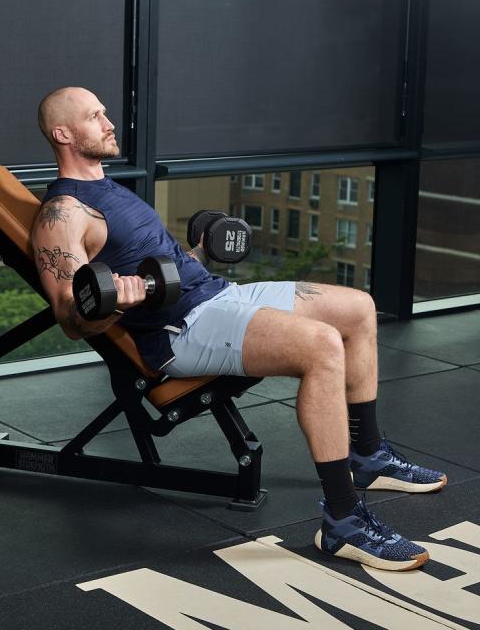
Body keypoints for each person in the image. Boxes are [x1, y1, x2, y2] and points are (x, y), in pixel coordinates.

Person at [31, 87, 446, 572]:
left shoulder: (108, 188)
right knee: (322, 346)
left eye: (104, 112)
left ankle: (369, 456)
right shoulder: (62, 215)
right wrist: (113, 304)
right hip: (180, 328)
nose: (109, 122)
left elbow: (161, 269)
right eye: (93, 116)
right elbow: (72, 318)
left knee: (358, 308)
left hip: (214, 293)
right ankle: (343, 521)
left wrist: (200, 251)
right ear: (63, 133)